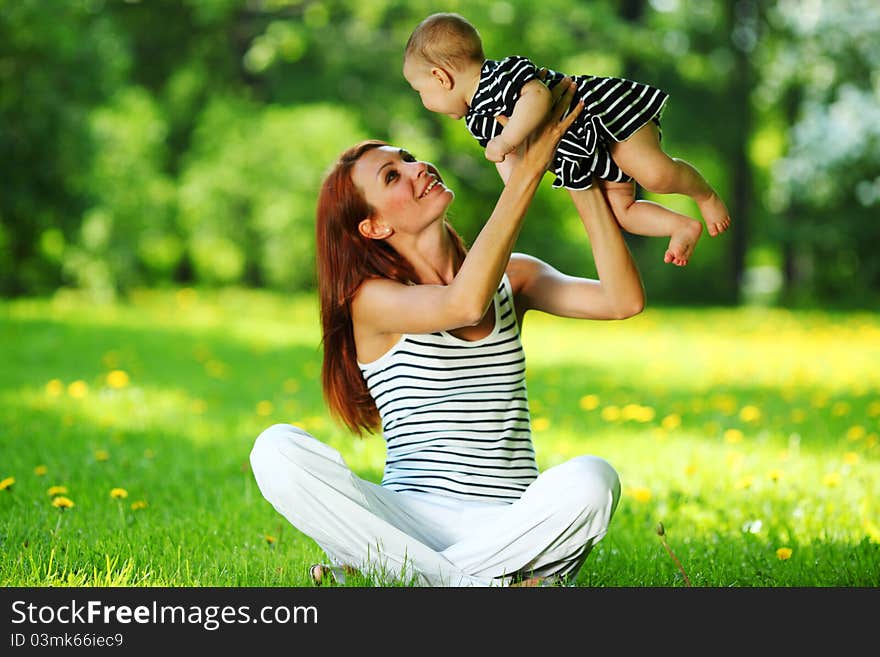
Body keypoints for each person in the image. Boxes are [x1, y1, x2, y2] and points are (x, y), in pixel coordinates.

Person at [249, 77, 643, 587]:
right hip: (408, 522)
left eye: (409, 157)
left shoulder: (513, 278)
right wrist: (527, 170)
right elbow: (461, 304)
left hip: (508, 525)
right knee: (275, 449)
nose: (417, 168)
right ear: (374, 228)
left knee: (594, 479)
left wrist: (578, 171)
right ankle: (476, 585)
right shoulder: (371, 300)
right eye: (393, 176)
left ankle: (411, 579)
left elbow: (622, 300)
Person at [403, 12, 731, 267]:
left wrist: (507, 140)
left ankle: (704, 195)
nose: (423, 101)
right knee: (623, 213)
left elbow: (537, 98)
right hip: (589, 155)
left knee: (655, 174)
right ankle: (681, 226)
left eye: (421, 92)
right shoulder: (478, 122)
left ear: (440, 78)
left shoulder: (498, 75)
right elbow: (514, 168)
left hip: (605, 119)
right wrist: (516, 189)